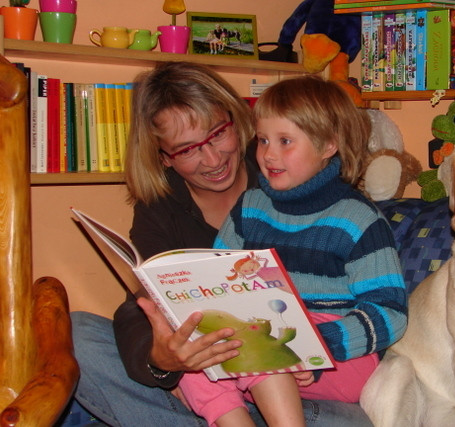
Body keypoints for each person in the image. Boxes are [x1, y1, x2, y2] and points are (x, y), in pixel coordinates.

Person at [68, 62, 375, 426]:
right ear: (163, 156)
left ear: (236, 119)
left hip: (300, 381)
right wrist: (163, 361)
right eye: (186, 150)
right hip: (217, 382)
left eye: (216, 134)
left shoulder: (285, 166)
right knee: (77, 335)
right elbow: (142, 305)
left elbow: (361, 285)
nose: (212, 160)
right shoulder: (160, 209)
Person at [177, 75, 408, 426]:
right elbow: (218, 282)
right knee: (192, 357)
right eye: (264, 140)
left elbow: (391, 313)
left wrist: (319, 344)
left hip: (339, 356)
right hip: (263, 334)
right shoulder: (250, 206)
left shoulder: (358, 219)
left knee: (260, 346)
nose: (268, 154)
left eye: (285, 141)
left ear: (328, 145)